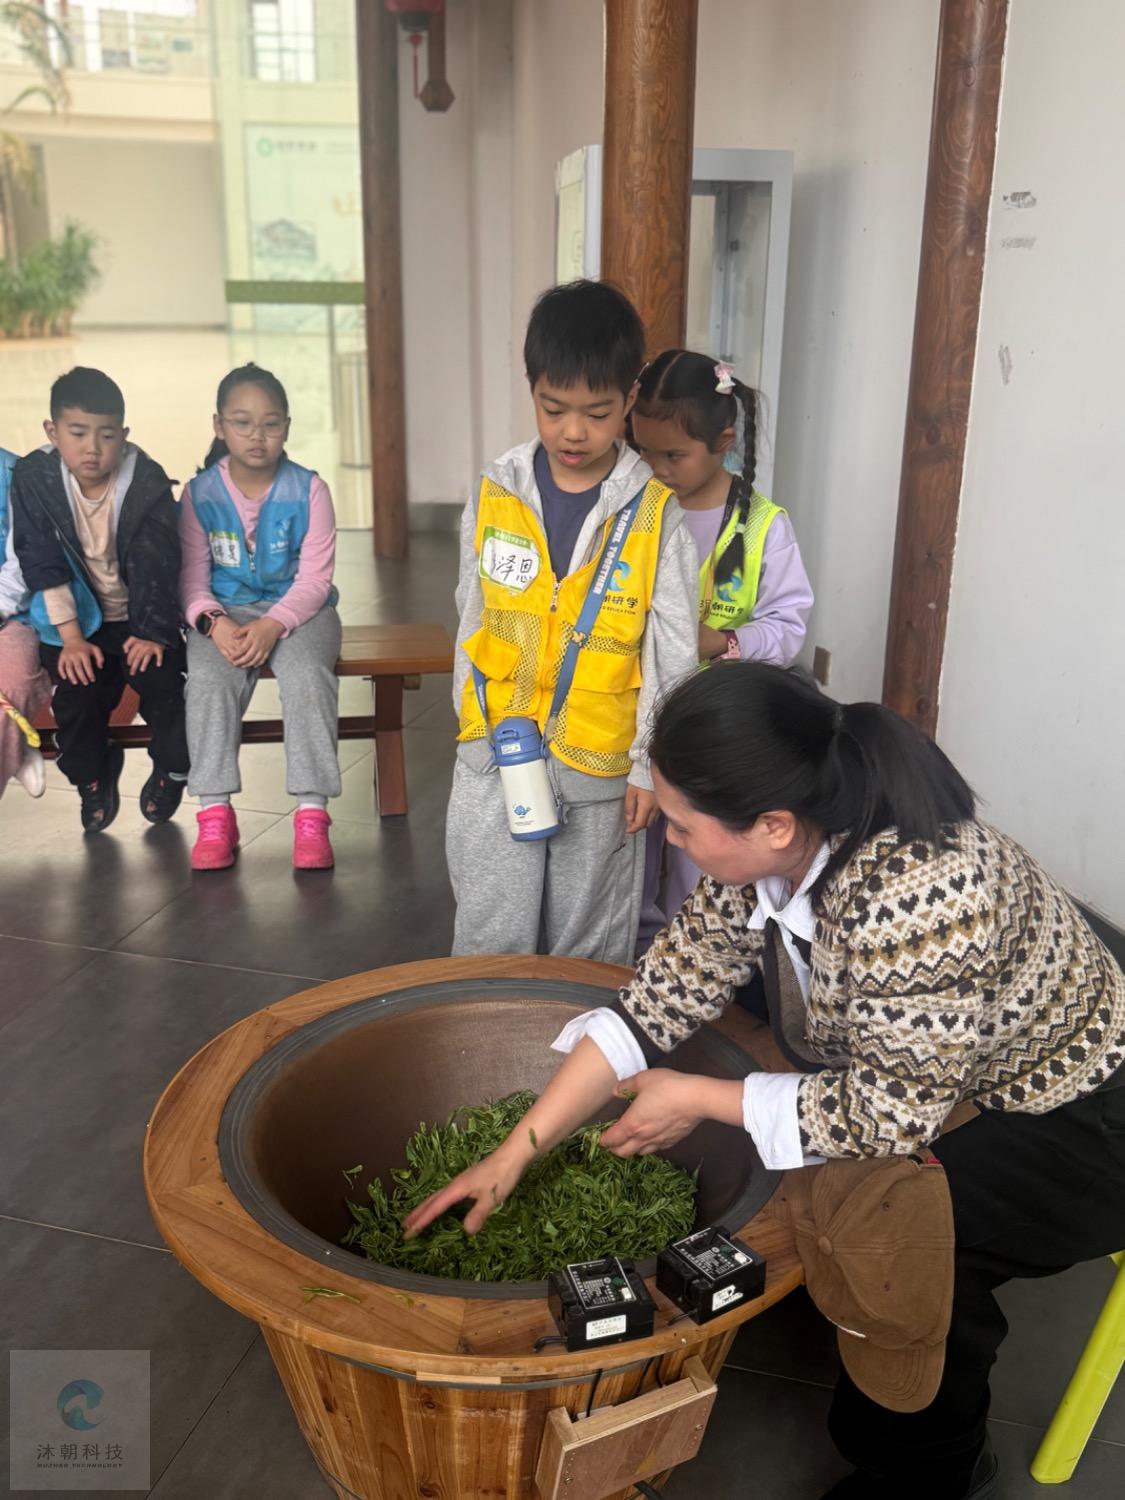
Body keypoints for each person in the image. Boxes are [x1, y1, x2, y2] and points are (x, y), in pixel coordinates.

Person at [409, 663, 1125, 1500]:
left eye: (681, 825)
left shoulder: (918, 893)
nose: (668, 838)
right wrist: (513, 1153)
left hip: (1082, 1113)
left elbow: (890, 1112)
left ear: (772, 825)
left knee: (905, 1236)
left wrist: (698, 1098)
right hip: (948, 1061)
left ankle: (933, 1468)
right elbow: (664, 992)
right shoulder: (776, 838)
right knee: (799, 1103)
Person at [446, 279, 699, 962]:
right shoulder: (495, 490)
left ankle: (576, 1040)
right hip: (497, 751)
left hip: (602, 767)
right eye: (553, 408)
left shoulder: (655, 512)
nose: (573, 432)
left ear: (630, 399)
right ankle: (489, 1035)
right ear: (531, 388)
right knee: (489, 934)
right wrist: (471, 729)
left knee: (587, 948)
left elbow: (674, 653)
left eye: (598, 412)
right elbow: (472, 615)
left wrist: (648, 767)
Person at [631, 348, 813, 946]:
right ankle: (639, 954)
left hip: (715, 728)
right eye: (644, 452)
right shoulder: (633, 512)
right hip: (634, 718)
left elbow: (787, 625)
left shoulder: (762, 525)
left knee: (699, 853)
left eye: (673, 455)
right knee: (632, 845)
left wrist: (722, 641)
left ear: (724, 442)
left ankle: (699, 953)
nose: (656, 468)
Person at [11, 368, 188, 832]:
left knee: (168, 691)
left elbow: (158, 564)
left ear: (124, 436)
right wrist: (70, 638)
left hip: (140, 617)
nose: (93, 448)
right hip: (75, 623)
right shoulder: (34, 477)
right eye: (78, 433)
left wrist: (152, 633)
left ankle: (172, 769)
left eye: (107, 435)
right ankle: (92, 776)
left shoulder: (144, 481)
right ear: (52, 432)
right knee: (77, 699)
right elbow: (41, 561)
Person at [179, 364, 340, 871]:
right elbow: (190, 580)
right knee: (207, 681)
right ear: (219, 425)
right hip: (225, 613)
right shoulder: (199, 494)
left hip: (302, 610)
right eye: (242, 423)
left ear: (286, 427)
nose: (257, 436)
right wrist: (214, 623)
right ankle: (214, 814)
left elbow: (315, 580)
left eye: (270, 424)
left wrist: (274, 624)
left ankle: (312, 813)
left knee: (308, 675)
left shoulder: (309, 490)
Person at [0, 446, 51, 799]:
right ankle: (14, 747)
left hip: (11, 613)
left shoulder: (16, 473)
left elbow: (24, 559)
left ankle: (11, 743)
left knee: (13, 682)